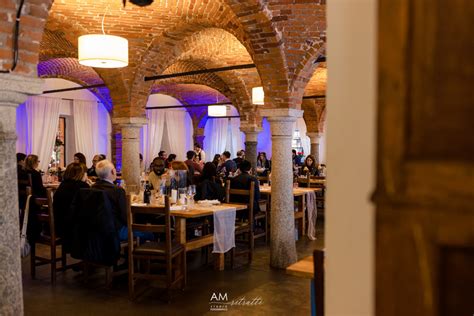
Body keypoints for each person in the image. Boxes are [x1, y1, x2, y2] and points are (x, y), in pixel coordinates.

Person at [93, 160, 152, 242]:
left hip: (96, 229)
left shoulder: (92, 188)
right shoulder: (117, 191)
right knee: (151, 232)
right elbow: (125, 216)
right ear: (113, 171)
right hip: (116, 230)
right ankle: (137, 253)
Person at [53, 163, 90, 238]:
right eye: (85, 173)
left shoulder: (63, 184)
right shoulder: (83, 186)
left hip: (59, 225)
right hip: (73, 229)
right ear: (81, 174)